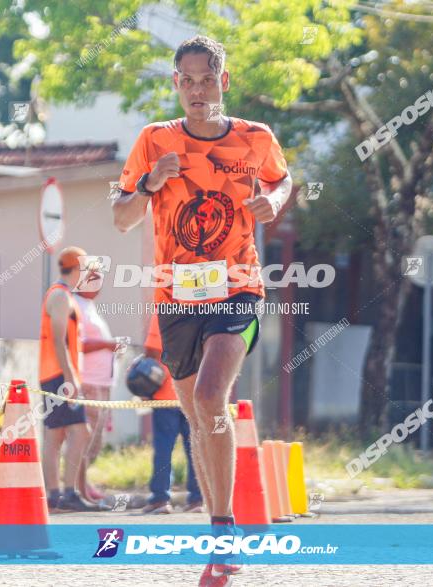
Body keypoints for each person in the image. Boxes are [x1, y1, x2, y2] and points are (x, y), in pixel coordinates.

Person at [112, 35, 292, 586]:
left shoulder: (254, 139)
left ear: (224, 82)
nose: (197, 90)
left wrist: (273, 201)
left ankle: (223, 532)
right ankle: (219, 538)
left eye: (206, 79)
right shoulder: (153, 140)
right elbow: (121, 217)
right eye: (186, 80)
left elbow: (283, 182)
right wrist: (148, 184)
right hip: (175, 298)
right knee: (196, 413)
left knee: (214, 396)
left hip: (238, 287)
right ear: (175, 84)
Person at [38, 246, 100, 512]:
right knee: (78, 431)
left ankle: (55, 495)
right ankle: (67, 493)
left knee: (55, 434)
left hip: (54, 374)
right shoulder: (61, 297)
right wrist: (70, 377)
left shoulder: (62, 295)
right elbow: (59, 340)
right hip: (58, 376)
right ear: (76, 268)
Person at [140, 315, 204, 515]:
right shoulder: (202, 309)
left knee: (163, 448)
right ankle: (197, 499)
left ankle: (160, 499)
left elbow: (152, 350)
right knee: (194, 446)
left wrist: (144, 385)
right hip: (192, 393)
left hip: (166, 393)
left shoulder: (163, 310)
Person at [72, 262, 124, 502]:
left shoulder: (89, 306)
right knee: (86, 438)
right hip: (89, 382)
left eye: (100, 278)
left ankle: (83, 484)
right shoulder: (77, 306)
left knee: (95, 440)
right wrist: (109, 344)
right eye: (93, 277)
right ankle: (77, 487)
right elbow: (77, 344)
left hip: (101, 382)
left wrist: (111, 346)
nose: (97, 283)